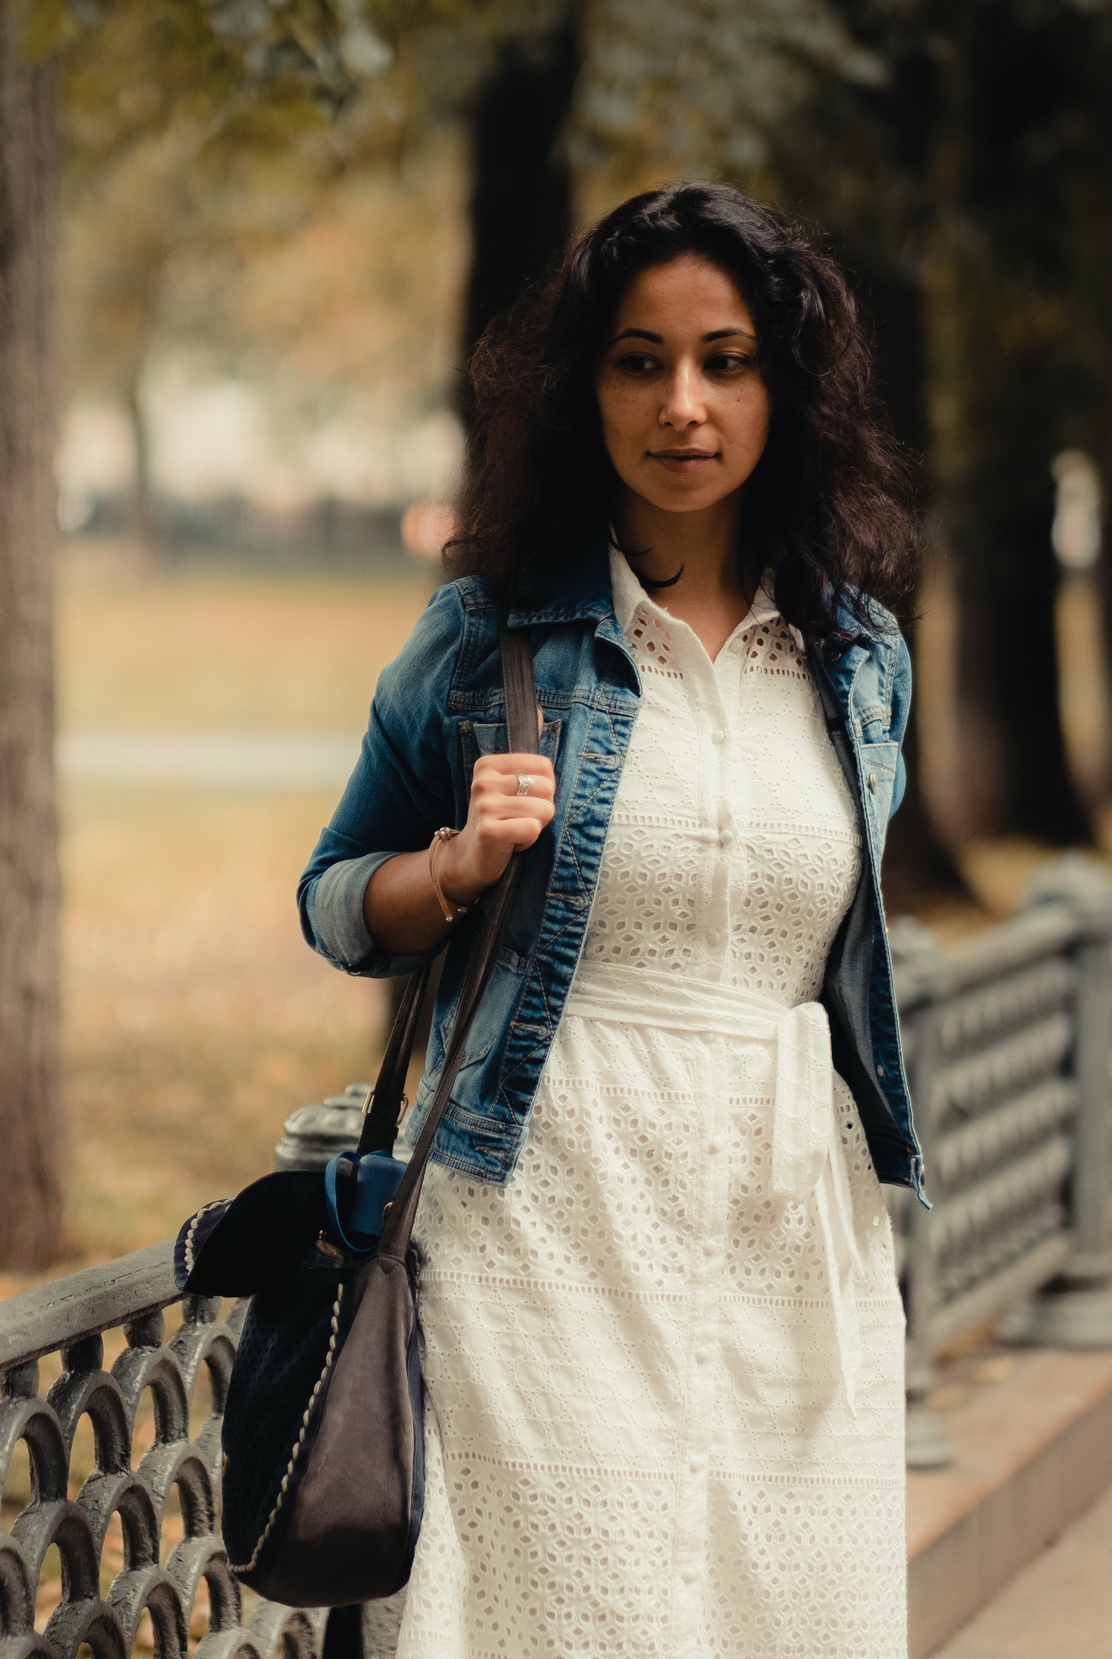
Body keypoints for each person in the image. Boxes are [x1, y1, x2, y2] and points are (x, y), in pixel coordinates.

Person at [296, 182, 924, 1657]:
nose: (683, 405)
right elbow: (335, 896)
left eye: (728, 359)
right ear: (584, 389)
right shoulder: (487, 637)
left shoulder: (856, 651)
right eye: (639, 361)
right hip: (547, 1200)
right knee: (574, 1617)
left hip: (787, 1205)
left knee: (788, 1604)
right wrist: (449, 871)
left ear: (789, 387)